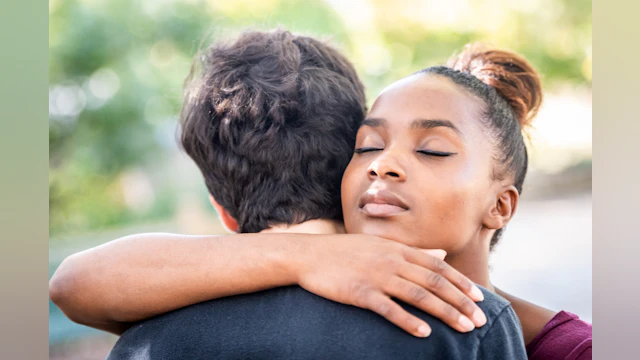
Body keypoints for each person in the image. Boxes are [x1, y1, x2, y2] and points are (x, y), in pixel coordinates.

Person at [50, 32, 588, 359]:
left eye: (433, 150)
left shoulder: (562, 347)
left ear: (502, 203)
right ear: (338, 180)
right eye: (367, 145)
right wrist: (313, 254)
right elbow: (73, 283)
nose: (384, 163)